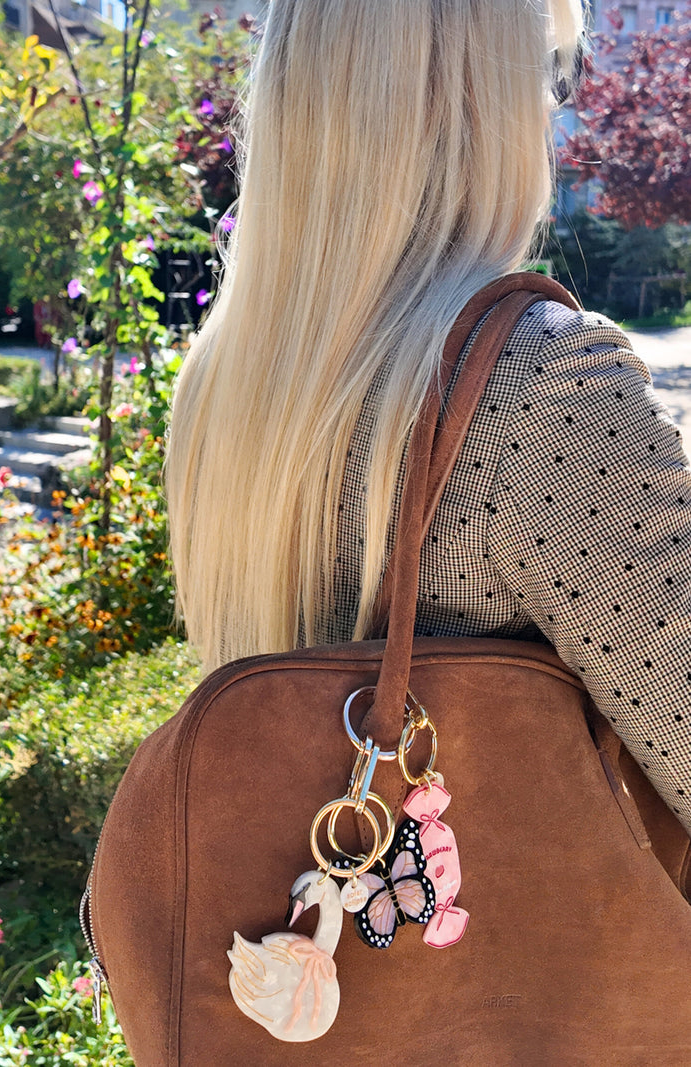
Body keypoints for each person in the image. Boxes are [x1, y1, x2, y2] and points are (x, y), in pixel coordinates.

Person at [164, 0, 691, 838]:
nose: (550, 105)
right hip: (509, 922)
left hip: (304, 902)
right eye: (544, 67)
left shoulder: (222, 376)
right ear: (483, 98)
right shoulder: (542, 380)